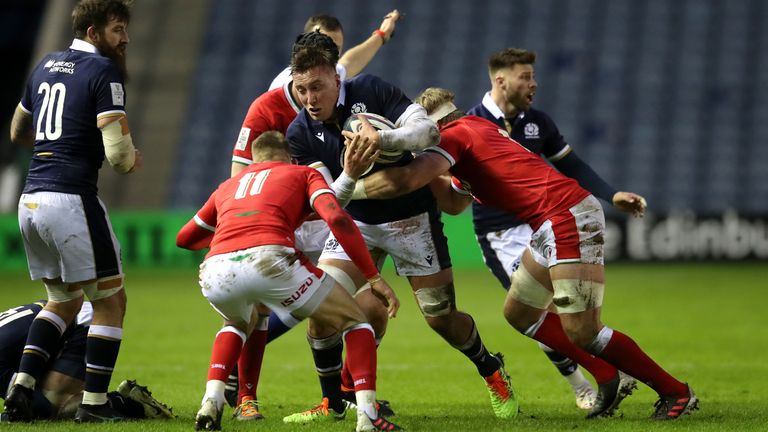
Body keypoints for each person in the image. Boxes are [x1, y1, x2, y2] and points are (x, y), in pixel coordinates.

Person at [348, 87, 699, 421]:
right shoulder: (477, 128)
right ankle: (607, 375)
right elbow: (455, 203)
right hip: (551, 220)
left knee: (584, 331)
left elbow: (406, 179)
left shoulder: (454, 136)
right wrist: (430, 179)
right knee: (521, 312)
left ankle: (675, 392)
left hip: (566, 216)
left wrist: (343, 189)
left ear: (428, 126)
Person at [283, 44, 518, 422]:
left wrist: (383, 140)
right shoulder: (299, 131)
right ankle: (332, 404)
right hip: (355, 223)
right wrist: (352, 173)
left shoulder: (372, 89)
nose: (309, 99)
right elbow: (326, 200)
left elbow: (426, 130)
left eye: (317, 87)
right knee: (321, 310)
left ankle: (491, 369)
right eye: (301, 89)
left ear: (336, 78)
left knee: (440, 317)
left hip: (412, 220)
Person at [176, 131, 402, 432]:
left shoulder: (228, 186)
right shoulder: (303, 173)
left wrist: (231, 240)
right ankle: (367, 416)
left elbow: (184, 238)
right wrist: (373, 276)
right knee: (356, 321)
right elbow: (336, 218)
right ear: (290, 157)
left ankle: (212, 400)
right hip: (271, 258)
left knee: (236, 323)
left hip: (216, 267)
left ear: (254, 159)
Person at [224, 31, 397, 419]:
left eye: (336, 51)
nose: (312, 95)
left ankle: (346, 393)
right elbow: (239, 173)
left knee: (363, 307)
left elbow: (355, 57)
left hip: (329, 204)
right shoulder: (268, 106)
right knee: (259, 305)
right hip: (287, 214)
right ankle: (242, 392)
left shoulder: (338, 84)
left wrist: (382, 35)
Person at [465, 48, 647, 409]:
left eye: (533, 76)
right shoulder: (474, 123)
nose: (534, 84)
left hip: (546, 224)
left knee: (569, 306)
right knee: (539, 313)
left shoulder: (539, 123)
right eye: (525, 77)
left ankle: (609, 372)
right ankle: (582, 385)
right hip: (502, 235)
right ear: (501, 80)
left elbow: (573, 165)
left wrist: (612, 195)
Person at [4, 0, 142, 423]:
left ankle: (22, 387)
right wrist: (131, 157)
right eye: (118, 29)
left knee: (62, 300)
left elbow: (16, 131)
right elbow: (118, 157)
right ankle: (94, 405)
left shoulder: (45, 64)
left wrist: (52, 148)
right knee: (110, 302)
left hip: (30, 200)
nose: (125, 38)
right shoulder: (103, 71)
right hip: (70, 199)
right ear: (94, 32)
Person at [0, 301, 173, 421]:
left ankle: (131, 403)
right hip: (63, 317)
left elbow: (31, 401)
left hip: (83, 323)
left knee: (54, 405)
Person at [268, 12, 401, 91]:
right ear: (304, 45)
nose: (329, 53)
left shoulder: (331, 75)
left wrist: (382, 34)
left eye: (335, 48)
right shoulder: (283, 86)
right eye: (321, 45)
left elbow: (350, 61)